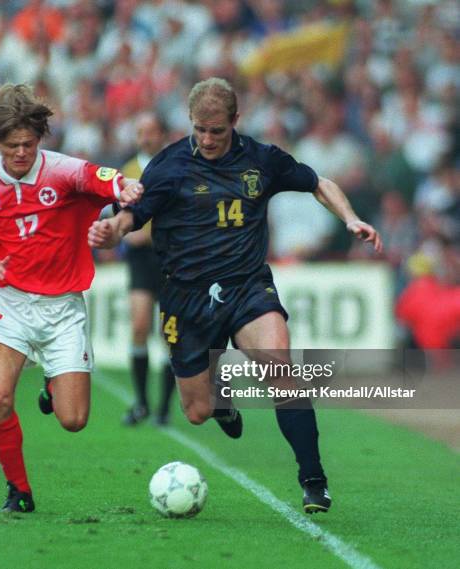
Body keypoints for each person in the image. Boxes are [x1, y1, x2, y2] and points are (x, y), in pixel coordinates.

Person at [88, 77, 382, 514]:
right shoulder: (168, 167)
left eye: (217, 131)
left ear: (235, 122)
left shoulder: (262, 160)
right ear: (190, 123)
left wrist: (350, 218)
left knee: (279, 368)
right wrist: (110, 231)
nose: (207, 139)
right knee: (196, 411)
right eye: (199, 130)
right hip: (186, 299)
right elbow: (131, 218)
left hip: (246, 286)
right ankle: (222, 402)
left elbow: (319, 182)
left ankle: (313, 480)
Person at [0, 83, 142, 513]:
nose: (21, 153)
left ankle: (50, 380)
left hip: (62, 309)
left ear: (39, 139)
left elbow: (103, 178)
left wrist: (124, 188)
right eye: (12, 147)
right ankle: (18, 490)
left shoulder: (63, 171)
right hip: (10, 305)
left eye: (28, 144)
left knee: (74, 420)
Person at [121, 111, 176, 426]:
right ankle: (141, 401)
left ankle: (164, 407)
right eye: (140, 131)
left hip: (169, 257)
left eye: (151, 130)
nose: (145, 137)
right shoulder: (128, 170)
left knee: (169, 333)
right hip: (141, 259)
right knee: (140, 325)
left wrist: (151, 232)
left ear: (161, 134)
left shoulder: (174, 167)